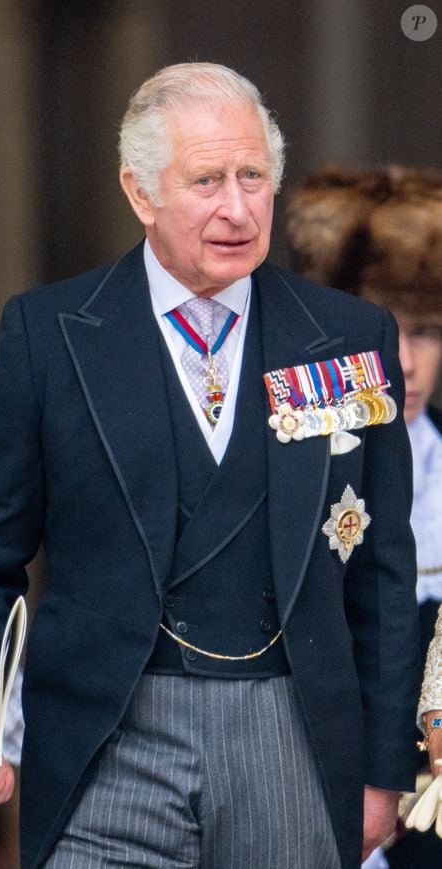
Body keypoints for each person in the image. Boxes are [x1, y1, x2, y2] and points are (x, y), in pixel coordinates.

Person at [0, 63, 421, 869]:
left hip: (289, 733)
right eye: (206, 180)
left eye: (253, 176)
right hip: (107, 738)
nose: (237, 206)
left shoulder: (349, 336)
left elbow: (384, 573)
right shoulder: (49, 337)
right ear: (140, 192)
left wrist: (382, 771)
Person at [285, 164, 442, 866]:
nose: (405, 361)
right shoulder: (289, 462)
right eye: (384, 329)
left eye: (428, 330)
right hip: (302, 789)